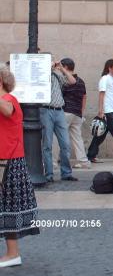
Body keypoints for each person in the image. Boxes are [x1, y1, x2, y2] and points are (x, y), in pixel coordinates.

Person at [0, 65, 39, 268]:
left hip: (9, 161)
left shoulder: (9, 100)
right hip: (4, 159)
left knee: (8, 207)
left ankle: (13, 254)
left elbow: (7, 110)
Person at [40, 55, 78, 182]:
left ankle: (66, 173)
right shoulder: (42, 76)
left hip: (59, 111)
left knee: (65, 144)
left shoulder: (57, 76)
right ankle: (49, 174)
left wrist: (62, 68)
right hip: (46, 110)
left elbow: (72, 81)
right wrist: (48, 68)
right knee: (47, 145)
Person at [87, 59, 113, 164]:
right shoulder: (105, 79)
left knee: (100, 136)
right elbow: (101, 95)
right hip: (107, 112)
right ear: (109, 68)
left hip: (111, 111)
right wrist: (101, 111)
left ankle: (91, 155)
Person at [60, 58, 90, 169]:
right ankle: (83, 161)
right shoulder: (81, 81)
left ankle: (57, 161)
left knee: (59, 136)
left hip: (66, 111)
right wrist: (81, 112)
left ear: (66, 67)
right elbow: (84, 97)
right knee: (77, 138)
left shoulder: (65, 80)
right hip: (77, 113)